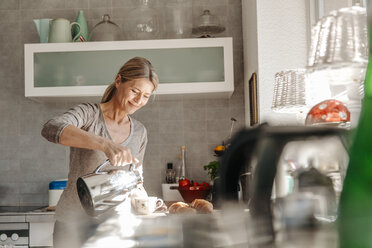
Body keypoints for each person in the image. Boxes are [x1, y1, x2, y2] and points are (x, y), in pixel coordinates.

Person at [41, 57, 159, 248]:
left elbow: (136, 180)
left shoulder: (140, 131)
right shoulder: (89, 115)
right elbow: (51, 128)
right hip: (73, 224)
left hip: (116, 228)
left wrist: (144, 201)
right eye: (135, 91)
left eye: (146, 96)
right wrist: (105, 145)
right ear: (119, 81)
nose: (139, 100)